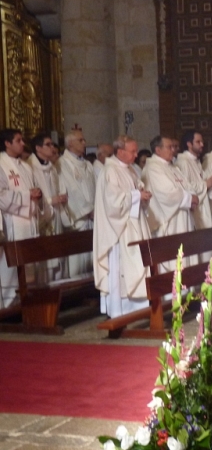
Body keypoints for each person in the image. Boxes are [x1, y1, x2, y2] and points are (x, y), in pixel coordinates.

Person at [94, 136, 153, 318]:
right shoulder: (109, 171)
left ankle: (139, 307)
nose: (136, 155)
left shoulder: (130, 170)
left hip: (134, 224)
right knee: (123, 268)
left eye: (136, 151)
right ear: (120, 152)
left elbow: (133, 191)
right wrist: (136, 195)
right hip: (120, 230)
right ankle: (120, 310)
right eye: (132, 151)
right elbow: (113, 202)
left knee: (138, 265)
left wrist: (142, 194)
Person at [0, 129, 44, 308]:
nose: (22, 144)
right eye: (18, 140)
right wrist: (27, 196)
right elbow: (1, 197)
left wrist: (37, 194)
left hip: (29, 221)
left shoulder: (26, 165)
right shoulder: (1, 164)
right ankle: (10, 304)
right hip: (13, 222)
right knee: (13, 267)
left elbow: (34, 188)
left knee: (31, 266)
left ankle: (29, 302)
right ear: (7, 143)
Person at [142, 135, 198, 248]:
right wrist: (190, 198)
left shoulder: (172, 167)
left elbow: (187, 185)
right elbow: (166, 193)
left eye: (173, 147)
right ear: (158, 150)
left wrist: (193, 197)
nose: (173, 150)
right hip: (170, 222)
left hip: (184, 218)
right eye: (169, 147)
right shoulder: (153, 168)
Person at [29, 132, 69, 282]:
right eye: (48, 144)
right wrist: (50, 200)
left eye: (53, 144)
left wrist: (61, 197)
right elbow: (31, 194)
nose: (52, 147)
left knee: (58, 256)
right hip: (42, 217)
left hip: (56, 215)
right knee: (45, 261)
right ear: (38, 148)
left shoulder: (51, 167)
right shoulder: (30, 167)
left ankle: (60, 292)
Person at [58, 129, 96, 276]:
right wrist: (88, 210)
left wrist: (96, 209)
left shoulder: (88, 164)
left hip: (92, 218)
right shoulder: (63, 164)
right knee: (77, 263)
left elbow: (95, 187)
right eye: (80, 140)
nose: (84, 143)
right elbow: (71, 191)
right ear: (70, 144)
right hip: (78, 219)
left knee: (91, 260)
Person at [176, 131, 212, 230]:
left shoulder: (195, 161)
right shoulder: (183, 162)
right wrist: (206, 184)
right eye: (198, 142)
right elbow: (185, 187)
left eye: (202, 141)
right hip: (195, 207)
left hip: (203, 205)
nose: (202, 144)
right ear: (189, 144)